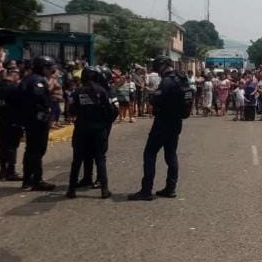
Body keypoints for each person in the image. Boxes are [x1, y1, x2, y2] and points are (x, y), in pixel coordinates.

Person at [129, 56, 187, 201]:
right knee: (171, 155)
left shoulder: (167, 81)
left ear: (163, 66)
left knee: (149, 153)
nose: (158, 71)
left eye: (158, 68)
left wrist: (153, 96)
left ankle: (146, 190)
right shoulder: (181, 78)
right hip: (176, 122)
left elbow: (156, 100)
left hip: (163, 122)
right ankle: (171, 188)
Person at [66, 67, 116, 199]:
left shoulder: (77, 92)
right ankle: (104, 190)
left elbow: (71, 110)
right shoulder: (102, 91)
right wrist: (105, 122)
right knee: (100, 158)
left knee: (77, 159)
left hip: (82, 129)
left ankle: (71, 189)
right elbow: (111, 110)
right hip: (99, 129)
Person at [20, 56, 56, 191]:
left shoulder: (27, 78)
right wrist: (46, 115)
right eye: (50, 69)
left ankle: (27, 180)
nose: (51, 72)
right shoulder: (38, 81)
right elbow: (40, 101)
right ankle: (36, 180)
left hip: (29, 120)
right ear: (43, 68)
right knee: (37, 150)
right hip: (37, 121)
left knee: (30, 149)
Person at [0, 68, 24, 181]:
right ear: (14, 75)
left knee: (2, 146)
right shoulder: (14, 89)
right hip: (13, 121)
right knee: (12, 147)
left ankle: (2, 171)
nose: (18, 78)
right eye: (17, 75)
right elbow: (20, 104)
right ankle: (11, 171)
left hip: (1, 121)